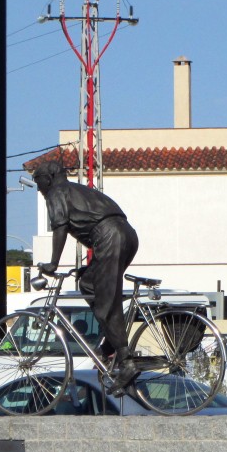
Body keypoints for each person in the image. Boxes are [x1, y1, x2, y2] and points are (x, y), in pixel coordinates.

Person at [31, 160, 140, 393]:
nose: (38, 188)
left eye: (38, 181)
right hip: (127, 235)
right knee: (89, 283)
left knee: (105, 302)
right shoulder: (80, 190)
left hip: (110, 237)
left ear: (49, 177)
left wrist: (53, 263)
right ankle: (113, 346)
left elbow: (60, 227)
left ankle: (126, 360)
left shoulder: (57, 193)